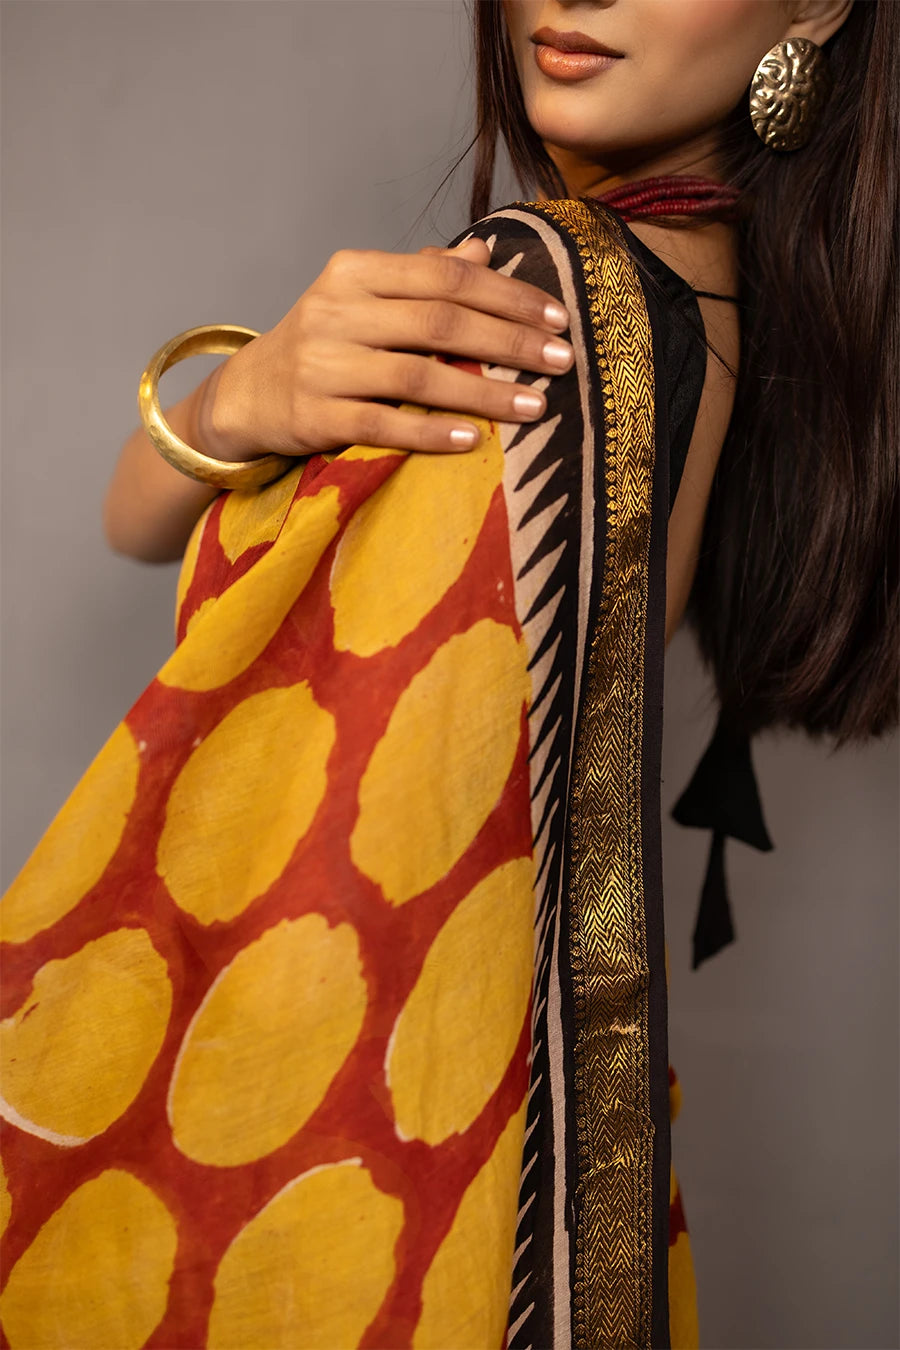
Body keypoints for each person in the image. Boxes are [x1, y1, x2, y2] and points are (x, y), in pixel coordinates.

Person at [1, 3, 896, 1349]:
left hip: (343, 1171)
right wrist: (237, 403)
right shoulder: (707, 301)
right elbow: (142, 518)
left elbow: (326, 882)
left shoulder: (541, 301)